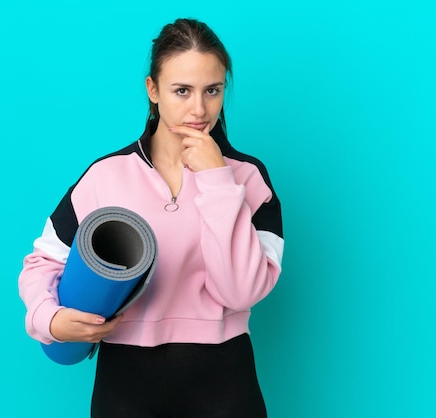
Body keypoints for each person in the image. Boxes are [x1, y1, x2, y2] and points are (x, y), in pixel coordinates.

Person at [18, 18, 284, 418]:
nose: (199, 109)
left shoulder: (248, 178)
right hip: (124, 385)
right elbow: (44, 261)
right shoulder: (106, 175)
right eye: (182, 91)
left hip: (225, 382)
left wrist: (216, 180)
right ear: (153, 90)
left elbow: (240, 293)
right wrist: (49, 319)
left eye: (212, 90)